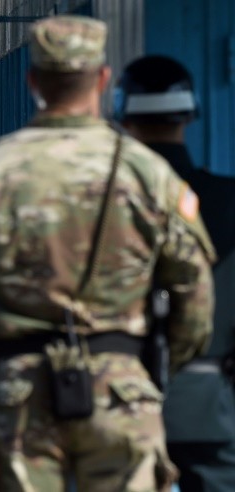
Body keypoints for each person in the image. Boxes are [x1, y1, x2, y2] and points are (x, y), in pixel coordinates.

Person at [0, 15, 216, 491]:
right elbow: (195, 295)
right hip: (122, 396)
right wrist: (148, 374)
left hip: (20, 393)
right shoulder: (148, 172)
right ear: (102, 79)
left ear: (33, 80)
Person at [115, 55, 235, 492]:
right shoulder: (227, 201)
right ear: (191, 112)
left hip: (111, 405)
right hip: (210, 402)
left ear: (122, 112)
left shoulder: (92, 208)